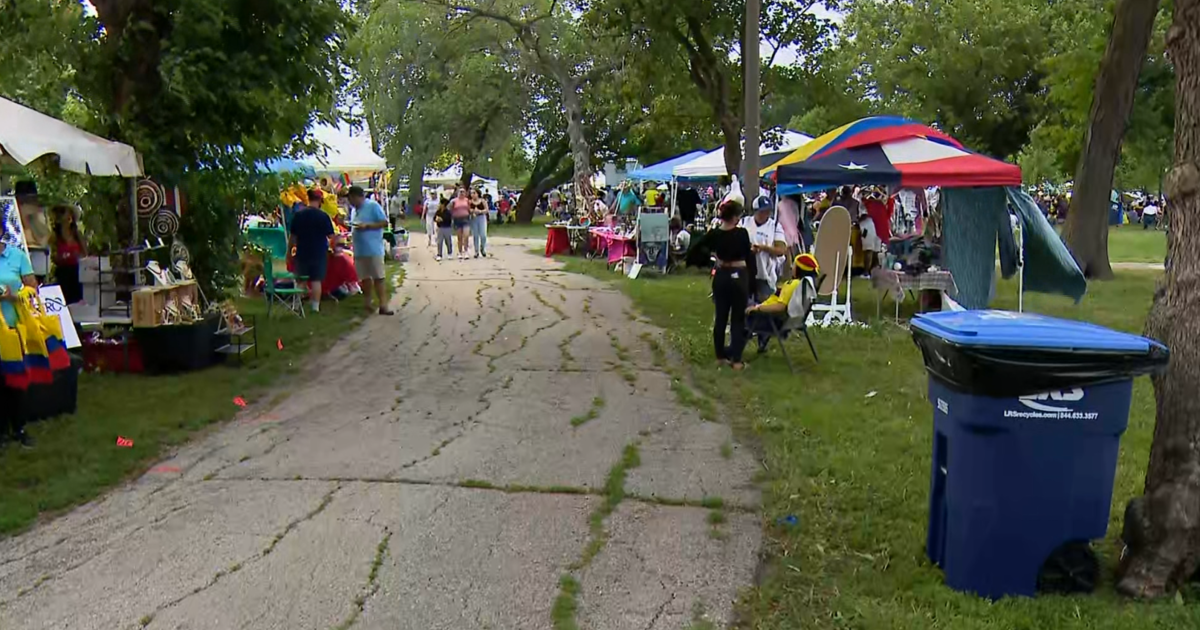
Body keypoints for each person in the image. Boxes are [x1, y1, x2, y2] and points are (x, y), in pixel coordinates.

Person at [688, 198, 756, 371]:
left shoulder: (715, 234)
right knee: (738, 319)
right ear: (734, 217)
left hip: (721, 275)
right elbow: (748, 255)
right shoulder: (741, 234)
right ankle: (736, 360)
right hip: (739, 275)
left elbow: (696, 249)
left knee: (721, 317)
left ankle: (720, 356)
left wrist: (711, 259)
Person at [0, 223, 39, 448]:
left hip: (13, 327)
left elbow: (32, 288)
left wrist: (14, 295)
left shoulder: (17, 256)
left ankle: (19, 428)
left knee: (15, 380)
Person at [745, 253, 820, 354]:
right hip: (786, 321)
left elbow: (780, 307)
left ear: (799, 269)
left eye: (794, 265)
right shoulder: (803, 286)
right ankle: (760, 345)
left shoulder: (791, 284)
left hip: (770, 320)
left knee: (740, 303)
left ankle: (734, 350)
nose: (791, 267)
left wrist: (757, 309)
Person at [347, 186, 394, 316]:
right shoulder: (354, 210)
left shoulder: (373, 206)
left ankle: (383, 305)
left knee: (378, 277)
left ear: (356, 197)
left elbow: (384, 222)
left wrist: (367, 226)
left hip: (373, 249)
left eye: (350, 199)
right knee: (364, 278)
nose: (350, 202)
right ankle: (367, 303)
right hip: (359, 249)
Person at [289, 189, 336, 313]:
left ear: (308, 199)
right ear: (320, 201)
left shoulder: (298, 215)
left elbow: (293, 237)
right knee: (316, 280)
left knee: (300, 280)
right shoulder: (323, 216)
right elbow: (332, 237)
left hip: (302, 251)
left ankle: (297, 306)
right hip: (319, 252)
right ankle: (315, 307)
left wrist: (289, 252)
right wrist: (333, 249)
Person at [740, 195, 788, 302]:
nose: (765, 215)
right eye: (762, 212)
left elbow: (781, 250)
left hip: (765, 275)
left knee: (764, 306)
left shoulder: (775, 226)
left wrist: (764, 248)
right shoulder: (744, 223)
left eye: (767, 212)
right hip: (745, 272)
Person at [50, 206, 87, 304]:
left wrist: (77, 256)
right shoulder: (55, 235)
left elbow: (85, 253)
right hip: (63, 271)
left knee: (77, 299)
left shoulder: (76, 234)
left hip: (77, 270)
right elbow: (52, 255)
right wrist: (60, 257)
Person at [451, 187, 472, 260]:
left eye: (463, 192)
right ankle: (460, 252)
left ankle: (466, 251)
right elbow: (451, 209)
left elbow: (469, 209)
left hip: (465, 218)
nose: (462, 193)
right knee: (459, 237)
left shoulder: (467, 200)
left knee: (466, 235)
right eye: (460, 192)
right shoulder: (454, 201)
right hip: (457, 219)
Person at [470, 188, 489, 258]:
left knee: (483, 234)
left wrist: (480, 211)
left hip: (482, 218)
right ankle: (476, 251)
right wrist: (472, 211)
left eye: (474, 193)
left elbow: (486, 209)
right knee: (475, 235)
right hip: (474, 218)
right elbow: (468, 210)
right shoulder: (470, 202)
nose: (473, 195)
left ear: (478, 194)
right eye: (471, 193)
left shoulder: (482, 201)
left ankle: (482, 248)